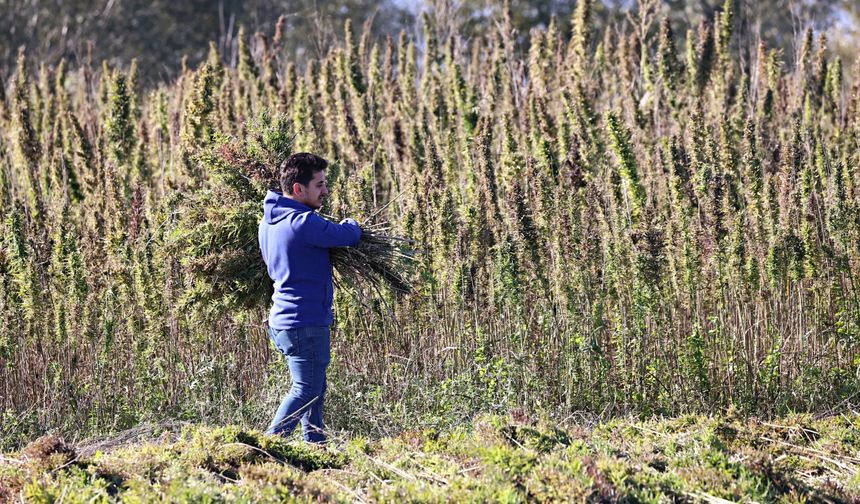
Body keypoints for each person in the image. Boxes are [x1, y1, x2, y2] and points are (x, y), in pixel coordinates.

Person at [258, 152, 362, 443]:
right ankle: (266, 447)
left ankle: (316, 449)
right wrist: (352, 222)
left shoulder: (268, 223)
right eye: (319, 185)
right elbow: (348, 235)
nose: (325, 191)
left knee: (315, 388)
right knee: (305, 391)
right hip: (304, 322)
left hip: (284, 321)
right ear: (297, 189)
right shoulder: (302, 223)